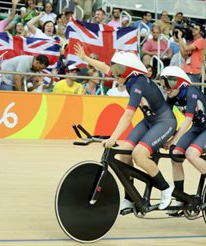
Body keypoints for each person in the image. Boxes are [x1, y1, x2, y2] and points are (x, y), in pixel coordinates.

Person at [75, 43, 176, 211]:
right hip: (149, 121)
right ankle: (130, 197)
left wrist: (113, 137)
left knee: (139, 155)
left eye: (118, 72)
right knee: (124, 154)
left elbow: (128, 115)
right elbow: (106, 68)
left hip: (165, 122)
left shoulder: (138, 84)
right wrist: (86, 59)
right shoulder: (126, 76)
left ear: (128, 71)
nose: (114, 75)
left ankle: (166, 187)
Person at [159, 66, 206, 214]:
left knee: (191, 154)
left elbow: (187, 121)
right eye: (164, 85)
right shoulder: (172, 95)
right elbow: (164, 118)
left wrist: (172, 140)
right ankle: (180, 198)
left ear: (180, 83)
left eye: (169, 84)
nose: (166, 89)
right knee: (175, 156)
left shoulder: (191, 93)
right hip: (197, 128)